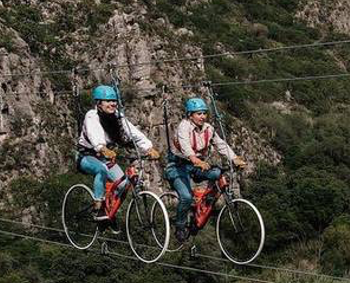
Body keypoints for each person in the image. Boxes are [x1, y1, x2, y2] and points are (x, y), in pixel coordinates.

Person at [167, 97, 247, 239]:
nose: (202, 117)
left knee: (217, 173)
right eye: (198, 113)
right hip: (178, 166)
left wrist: (234, 158)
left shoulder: (208, 129)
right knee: (185, 197)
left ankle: (204, 203)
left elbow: (220, 144)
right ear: (190, 115)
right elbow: (185, 146)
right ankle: (180, 226)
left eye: (204, 113)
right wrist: (195, 159)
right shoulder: (184, 127)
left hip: (197, 165)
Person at [77, 85, 160, 219]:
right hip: (87, 156)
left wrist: (148, 147)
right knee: (101, 170)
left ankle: (110, 212)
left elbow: (132, 132)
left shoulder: (117, 116)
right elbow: (94, 134)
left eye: (114, 101)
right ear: (98, 103)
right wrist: (102, 148)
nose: (112, 104)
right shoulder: (92, 116)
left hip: (106, 157)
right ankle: (98, 206)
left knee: (123, 185)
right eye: (108, 101)